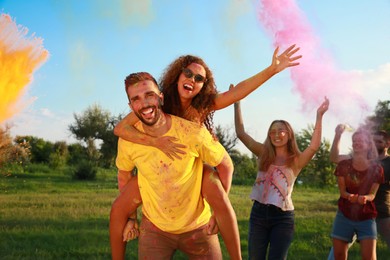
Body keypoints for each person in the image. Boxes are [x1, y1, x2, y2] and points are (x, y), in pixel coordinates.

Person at [111, 44, 302, 259]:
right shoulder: (157, 101)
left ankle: (222, 231)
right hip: (157, 172)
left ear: (204, 86)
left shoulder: (202, 107)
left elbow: (236, 91)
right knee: (127, 200)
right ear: (178, 74)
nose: (192, 80)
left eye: (199, 79)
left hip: (191, 168)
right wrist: (155, 142)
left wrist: (271, 70)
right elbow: (120, 128)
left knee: (212, 181)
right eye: (188, 73)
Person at [111, 72, 234, 259]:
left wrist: (218, 212)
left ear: (160, 97)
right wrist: (130, 217)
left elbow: (225, 165)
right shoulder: (128, 139)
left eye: (149, 95)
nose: (144, 104)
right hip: (154, 228)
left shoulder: (191, 133)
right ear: (130, 106)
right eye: (136, 99)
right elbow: (124, 176)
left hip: (198, 226)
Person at [234, 96, 329, 259]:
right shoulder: (263, 153)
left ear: (289, 134)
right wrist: (236, 104)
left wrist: (319, 116)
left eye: (280, 131)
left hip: (282, 217)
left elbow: (313, 147)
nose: (276, 134)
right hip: (258, 214)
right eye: (272, 131)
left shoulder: (296, 160)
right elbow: (241, 133)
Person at [328, 126, 390, 259]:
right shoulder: (352, 160)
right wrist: (338, 135)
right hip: (351, 210)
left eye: (379, 141)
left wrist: (367, 197)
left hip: (381, 211)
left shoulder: (382, 165)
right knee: (336, 255)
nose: (376, 143)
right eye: (374, 141)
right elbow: (334, 158)